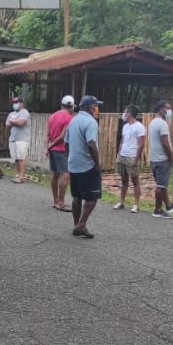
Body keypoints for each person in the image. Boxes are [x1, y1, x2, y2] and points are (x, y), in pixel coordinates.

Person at [65, 95, 103, 239]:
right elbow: (91, 144)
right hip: (87, 165)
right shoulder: (91, 122)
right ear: (90, 107)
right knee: (92, 196)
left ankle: (76, 224)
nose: (97, 108)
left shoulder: (73, 120)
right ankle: (81, 224)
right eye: (96, 106)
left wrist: (70, 157)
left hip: (74, 164)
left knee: (77, 196)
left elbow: (66, 143)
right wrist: (97, 164)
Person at [148, 100, 173, 218]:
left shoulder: (152, 122)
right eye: (168, 108)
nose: (170, 111)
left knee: (162, 184)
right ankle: (157, 210)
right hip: (162, 159)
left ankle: (168, 205)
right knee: (160, 186)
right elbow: (165, 142)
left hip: (154, 158)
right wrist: (170, 156)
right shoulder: (162, 124)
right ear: (161, 109)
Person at [113, 105, 145, 213]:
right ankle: (121, 202)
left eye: (125, 112)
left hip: (132, 156)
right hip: (123, 155)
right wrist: (119, 153)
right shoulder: (125, 126)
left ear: (130, 114)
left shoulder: (139, 127)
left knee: (135, 181)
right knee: (124, 180)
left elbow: (141, 144)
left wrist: (136, 158)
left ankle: (136, 205)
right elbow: (122, 140)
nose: (124, 114)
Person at [47, 95, 74, 211]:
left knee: (55, 175)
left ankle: (55, 200)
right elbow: (63, 135)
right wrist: (53, 144)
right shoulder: (69, 118)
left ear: (61, 105)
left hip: (52, 150)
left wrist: (48, 147)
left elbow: (47, 133)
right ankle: (61, 202)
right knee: (66, 175)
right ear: (72, 106)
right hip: (62, 149)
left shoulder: (52, 116)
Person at [5, 97, 30, 183]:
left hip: (22, 138)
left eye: (16, 102)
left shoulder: (24, 112)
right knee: (15, 158)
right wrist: (14, 121)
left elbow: (21, 123)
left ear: (21, 103)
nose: (15, 104)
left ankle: (22, 176)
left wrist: (12, 121)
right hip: (13, 138)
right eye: (14, 102)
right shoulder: (11, 113)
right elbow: (7, 125)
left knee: (21, 157)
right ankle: (18, 174)